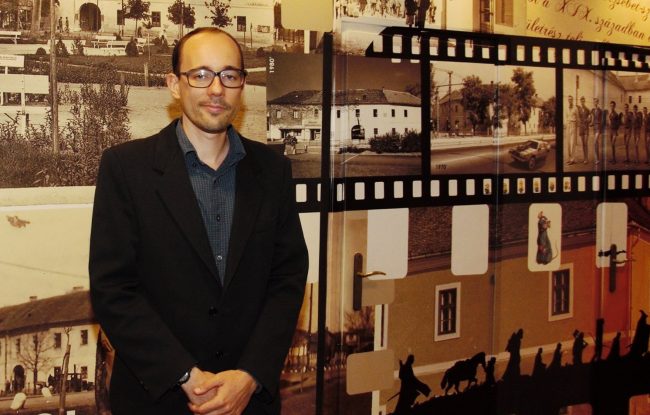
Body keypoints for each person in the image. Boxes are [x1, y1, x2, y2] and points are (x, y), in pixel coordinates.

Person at [89, 27, 309, 415]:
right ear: (174, 84)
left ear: (242, 85)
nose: (217, 89)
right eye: (201, 75)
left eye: (229, 75)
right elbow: (113, 289)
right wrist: (186, 376)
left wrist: (251, 375)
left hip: (249, 401)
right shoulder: (125, 168)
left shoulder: (273, 171)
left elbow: (287, 279)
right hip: (156, 400)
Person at [591, 98, 605, 165]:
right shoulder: (592, 110)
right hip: (594, 127)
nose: (595, 103)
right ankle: (597, 159)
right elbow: (592, 118)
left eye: (596, 102)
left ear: (598, 102)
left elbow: (602, 120)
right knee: (596, 143)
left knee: (595, 142)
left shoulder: (600, 110)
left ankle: (597, 159)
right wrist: (591, 123)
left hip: (598, 127)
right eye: (594, 102)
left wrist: (601, 128)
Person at [565, 95, 579, 164]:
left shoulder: (575, 108)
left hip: (573, 125)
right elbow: (566, 117)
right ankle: (569, 158)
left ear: (572, 100)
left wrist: (576, 126)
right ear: (568, 100)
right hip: (568, 124)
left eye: (571, 99)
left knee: (572, 142)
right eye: (569, 99)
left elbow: (577, 118)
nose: (570, 100)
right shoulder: (566, 108)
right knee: (568, 142)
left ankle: (572, 159)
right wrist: (567, 124)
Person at [577, 96, 590, 164]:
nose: (582, 102)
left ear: (584, 101)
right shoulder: (579, 109)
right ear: (580, 101)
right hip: (581, 128)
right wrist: (579, 123)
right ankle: (584, 158)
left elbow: (590, 118)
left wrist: (588, 120)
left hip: (586, 128)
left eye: (583, 101)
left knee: (586, 143)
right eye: (581, 101)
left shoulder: (587, 109)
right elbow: (578, 117)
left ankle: (586, 158)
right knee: (583, 144)